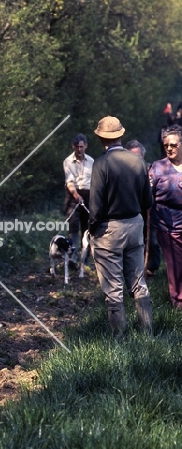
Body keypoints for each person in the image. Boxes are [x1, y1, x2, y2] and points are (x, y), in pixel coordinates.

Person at [89, 116, 153, 337]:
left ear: (99, 138)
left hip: (109, 230)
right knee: (138, 282)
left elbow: (95, 206)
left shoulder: (100, 164)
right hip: (135, 226)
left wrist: (92, 229)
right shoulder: (138, 162)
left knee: (113, 287)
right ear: (121, 135)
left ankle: (119, 339)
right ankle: (147, 333)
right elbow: (148, 202)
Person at [148, 124, 182, 309]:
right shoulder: (158, 167)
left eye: (174, 145)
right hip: (168, 226)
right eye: (166, 145)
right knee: (175, 265)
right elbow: (147, 196)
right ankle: (178, 303)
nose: (169, 148)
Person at [125, 139, 161, 277]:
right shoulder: (123, 172)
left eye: (138, 157)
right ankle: (133, 269)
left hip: (150, 210)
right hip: (131, 211)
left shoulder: (151, 170)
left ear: (143, 156)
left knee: (151, 239)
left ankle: (151, 267)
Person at [62, 133, 94, 262]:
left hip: (88, 194)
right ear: (73, 147)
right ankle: (73, 257)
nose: (79, 149)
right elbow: (69, 182)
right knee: (73, 226)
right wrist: (76, 196)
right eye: (77, 147)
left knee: (87, 227)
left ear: (86, 146)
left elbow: (95, 181)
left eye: (81, 146)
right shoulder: (67, 161)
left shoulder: (92, 161)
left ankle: (85, 259)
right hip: (72, 195)